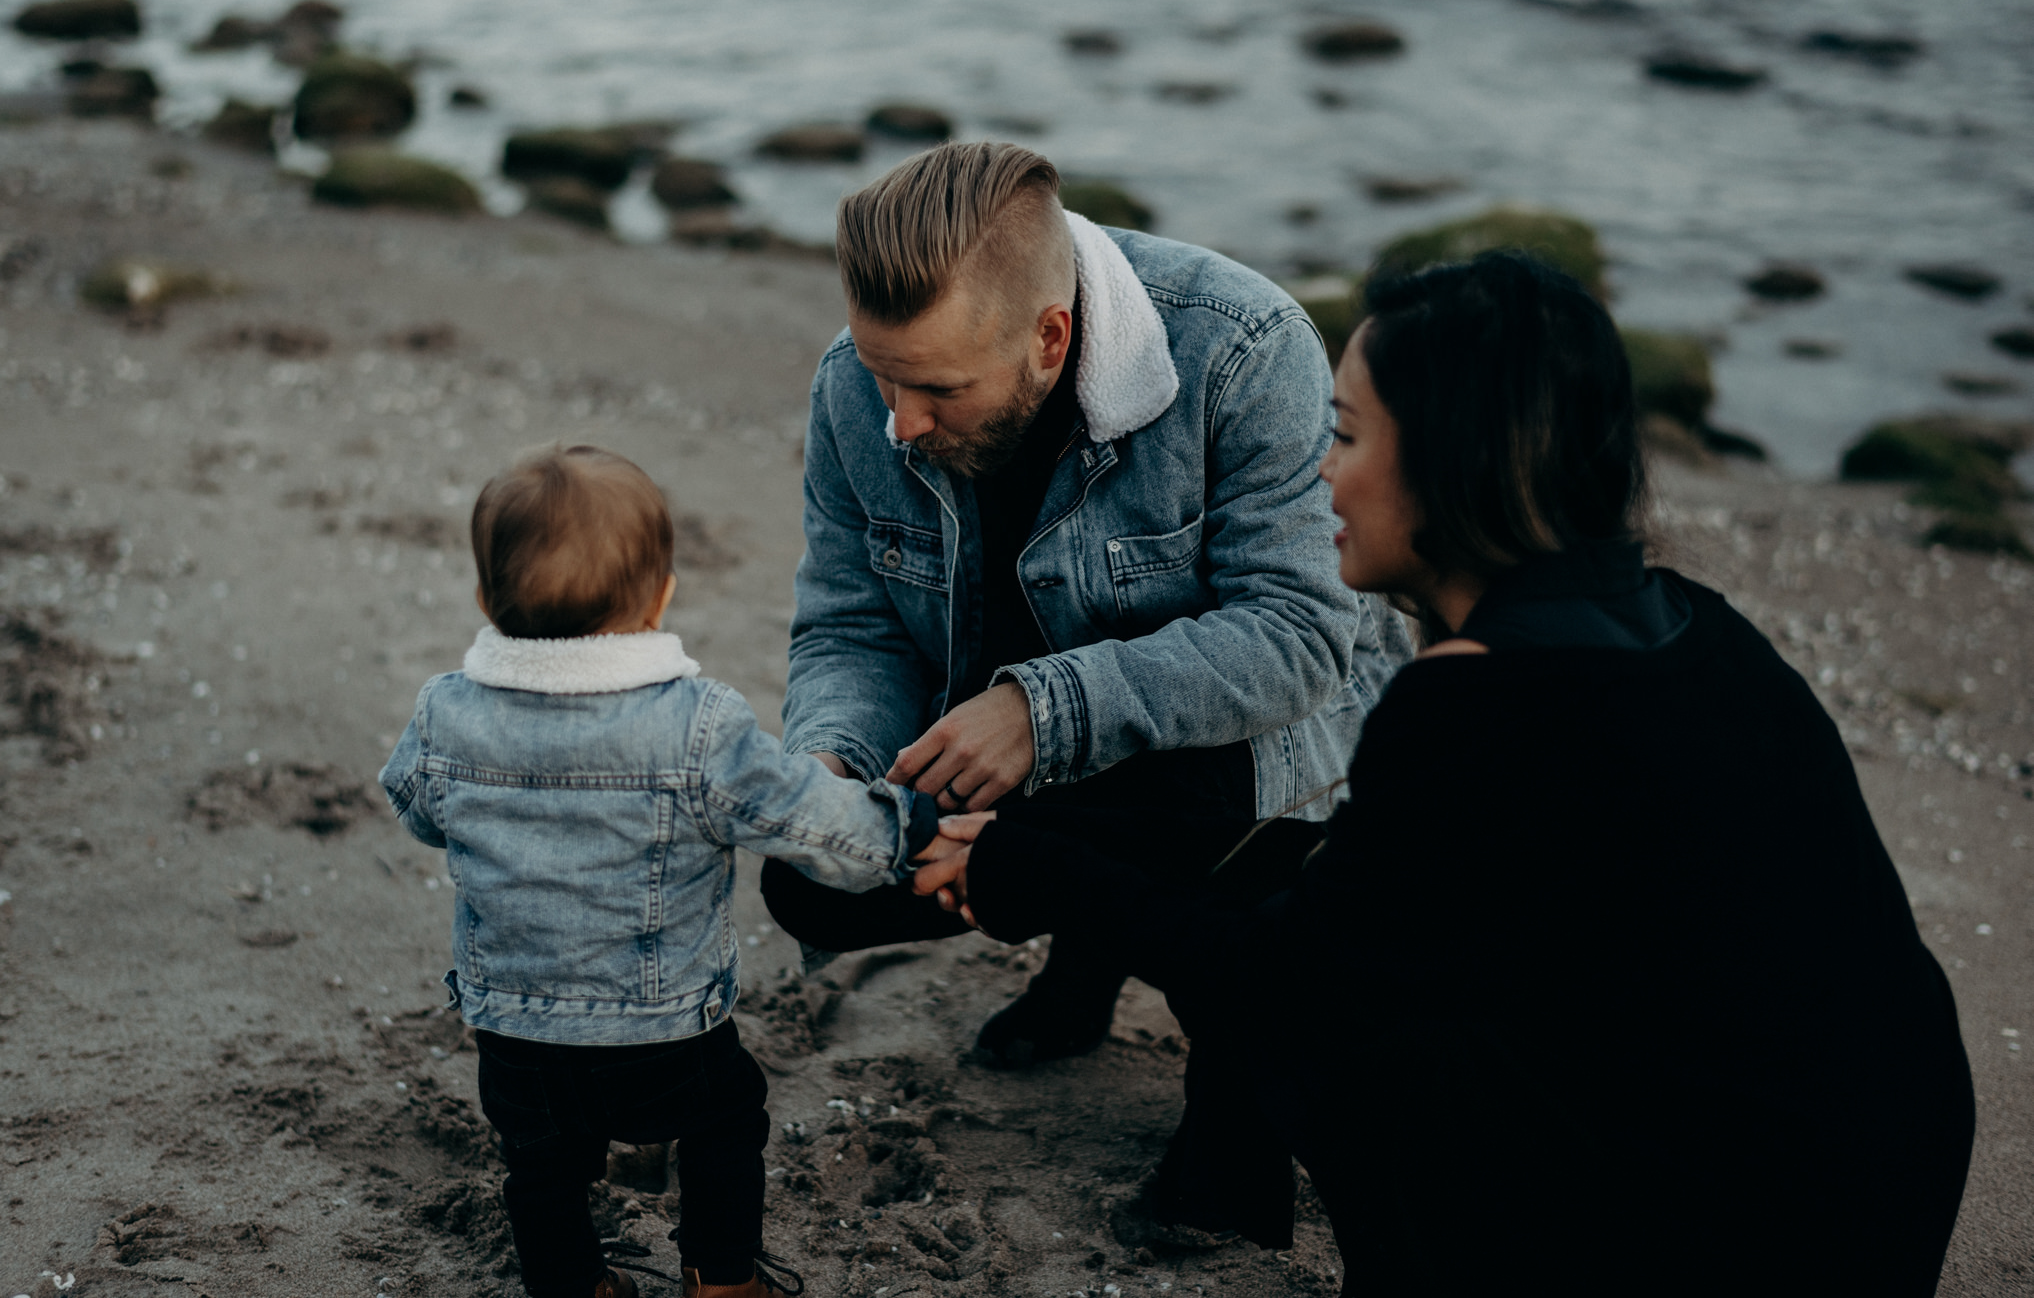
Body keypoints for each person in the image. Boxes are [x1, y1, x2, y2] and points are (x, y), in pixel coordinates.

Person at [914, 253, 1977, 1294]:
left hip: (1743, 1240)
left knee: (1366, 1048)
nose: (1322, 469)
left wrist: (1028, 870)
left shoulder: (1476, 700)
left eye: (1348, 434)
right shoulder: (1696, 625)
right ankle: (1220, 1184)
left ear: (1454, 461)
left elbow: (1283, 985)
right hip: (1887, 1179)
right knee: (1299, 887)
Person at [766, 140, 1411, 1062]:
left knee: (1197, 845)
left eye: (939, 389)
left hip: (1249, 753)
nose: (899, 421)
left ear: (1050, 339)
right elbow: (851, 623)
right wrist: (830, 761)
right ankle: (1085, 945)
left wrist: (1042, 710)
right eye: (884, 373)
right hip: (1009, 748)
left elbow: (1301, 637)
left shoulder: (1244, 350)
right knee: (812, 886)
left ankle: (1175, 1025)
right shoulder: (853, 383)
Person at [378, 445, 942, 1298]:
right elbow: (807, 821)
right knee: (724, 1123)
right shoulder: (699, 726)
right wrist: (904, 833)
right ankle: (720, 1279)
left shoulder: (445, 712)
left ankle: (572, 1286)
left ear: (487, 600)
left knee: (539, 1170)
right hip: (664, 1027)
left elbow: (418, 811)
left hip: (516, 1033)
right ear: (662, 597)